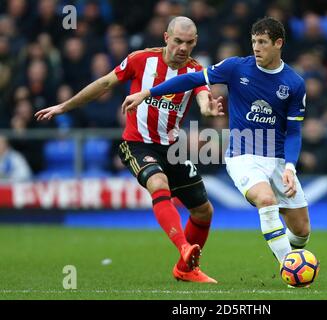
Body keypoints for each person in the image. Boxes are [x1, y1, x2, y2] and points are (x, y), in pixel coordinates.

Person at [35, 16, 224, 284]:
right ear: (166, 38)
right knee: (159, 183)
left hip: (172, 147)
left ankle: (186, 269)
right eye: (178, 41)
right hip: (136, 143)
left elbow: (204, 98)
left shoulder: (196, 71)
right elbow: (103, 84)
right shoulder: (140, 59)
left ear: (195, 42)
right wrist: (64, 106)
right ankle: (184, 248)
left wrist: (208, 109)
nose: (183, 47)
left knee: (204, 211)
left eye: (189, 42)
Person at [122, 17, 312, 276]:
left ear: (278, 43)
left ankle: (288, 252)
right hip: (243, 155)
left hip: (277, 158)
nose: (256, 47)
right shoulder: (236, 68)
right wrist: (148, 93)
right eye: (254, 41)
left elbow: (293, 132)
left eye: (263, 42)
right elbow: (191, 80)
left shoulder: (294, 83)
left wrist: (290, 166)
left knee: (301, 231)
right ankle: (289, 267)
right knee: (265, 200)